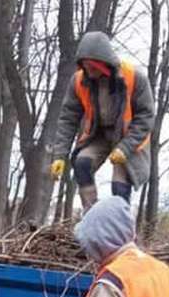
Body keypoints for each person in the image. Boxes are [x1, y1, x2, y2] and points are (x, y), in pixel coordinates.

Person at [50, 31, 155, 211]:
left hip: (129, 136)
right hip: (98, 135)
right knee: (82, 164)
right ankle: (91, 215)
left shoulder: (134, 77)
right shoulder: (79, 81)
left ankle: (120, 223)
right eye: (85, 66)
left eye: (93, 66)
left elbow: (146, 117)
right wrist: (59, 155)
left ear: (104, 62)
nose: (89, 71)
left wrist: (125, 148)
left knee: (120, 185)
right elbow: (68, 119)